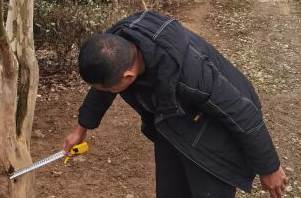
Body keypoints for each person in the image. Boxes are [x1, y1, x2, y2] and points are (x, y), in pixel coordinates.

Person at [63, 10, 287, 198]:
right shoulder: (116, 43)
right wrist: (82, 126)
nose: (105, 92)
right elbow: (104, 84)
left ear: (128, 77)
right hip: (172, 117)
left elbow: (242, 112)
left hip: (217, 126)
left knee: (207, 188)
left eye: (109, 89)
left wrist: (269, 167)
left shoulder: (191, 75)